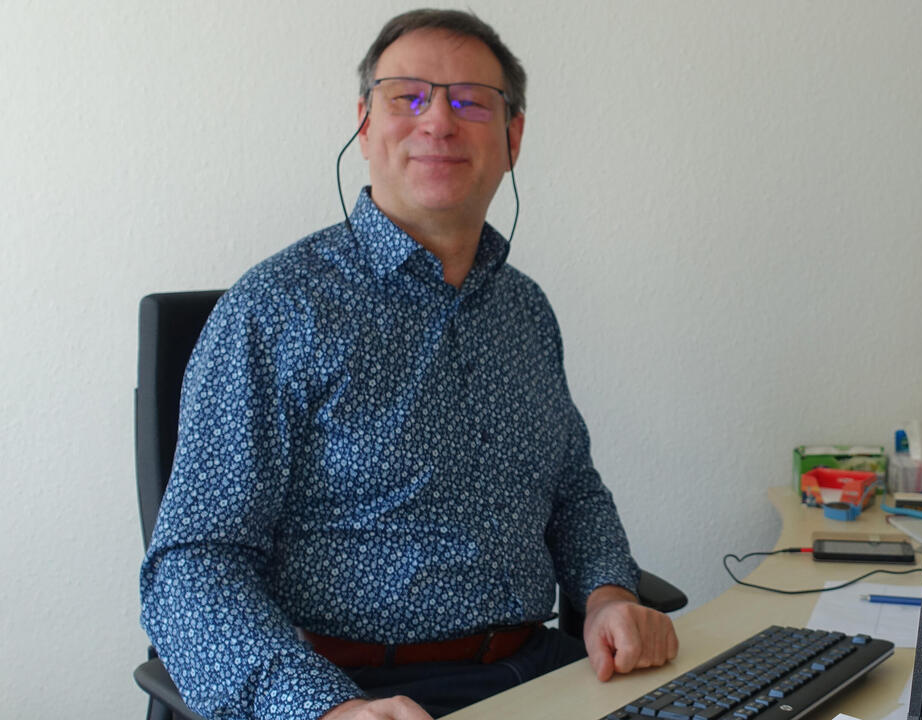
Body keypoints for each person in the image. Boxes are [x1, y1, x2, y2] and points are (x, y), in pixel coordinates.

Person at [139, 9, 677, 720]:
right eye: (407, 97)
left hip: (544, 675)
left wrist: (609, 592)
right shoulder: (275, 310)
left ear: (513, 137)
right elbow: (192, 565)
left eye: (470, 101)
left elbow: (572, 490)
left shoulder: (524, 310)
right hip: (356, 694)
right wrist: (322, 709)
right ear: (365, 124)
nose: (439, 122)